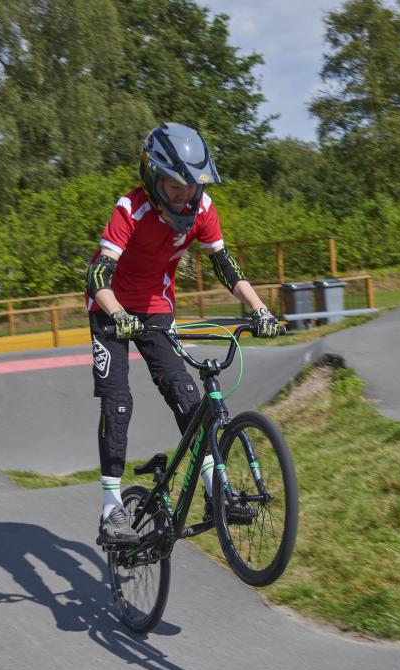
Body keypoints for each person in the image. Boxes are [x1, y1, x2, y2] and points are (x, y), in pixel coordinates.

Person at [86, 123, 280, 546]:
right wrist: (118, 313)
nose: (186, 195)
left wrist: (261, 309)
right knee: (119, 402)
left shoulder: (203, 208)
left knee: (185, 392)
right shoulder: (130, 208)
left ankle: (216, 492)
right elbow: (97, 274)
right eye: (176, 186)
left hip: (155, 309)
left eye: (194, 185)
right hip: (109, 308)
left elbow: (225, 265)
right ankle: (111, 508)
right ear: (153, 177)